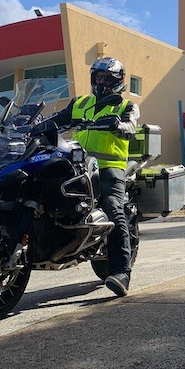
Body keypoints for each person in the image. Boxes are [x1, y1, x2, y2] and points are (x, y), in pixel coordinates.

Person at [47, 57, 139, 296]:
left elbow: (131, 127)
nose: (102, 82)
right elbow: (56, 121)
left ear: (118, 81)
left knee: (112, 206)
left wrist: (118, 125)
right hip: (77, 163)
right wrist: (31, 124)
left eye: (107, 78)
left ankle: (122, 272)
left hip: (109, 166)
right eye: (98, 77)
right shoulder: (80, 103)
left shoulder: (125, 106)